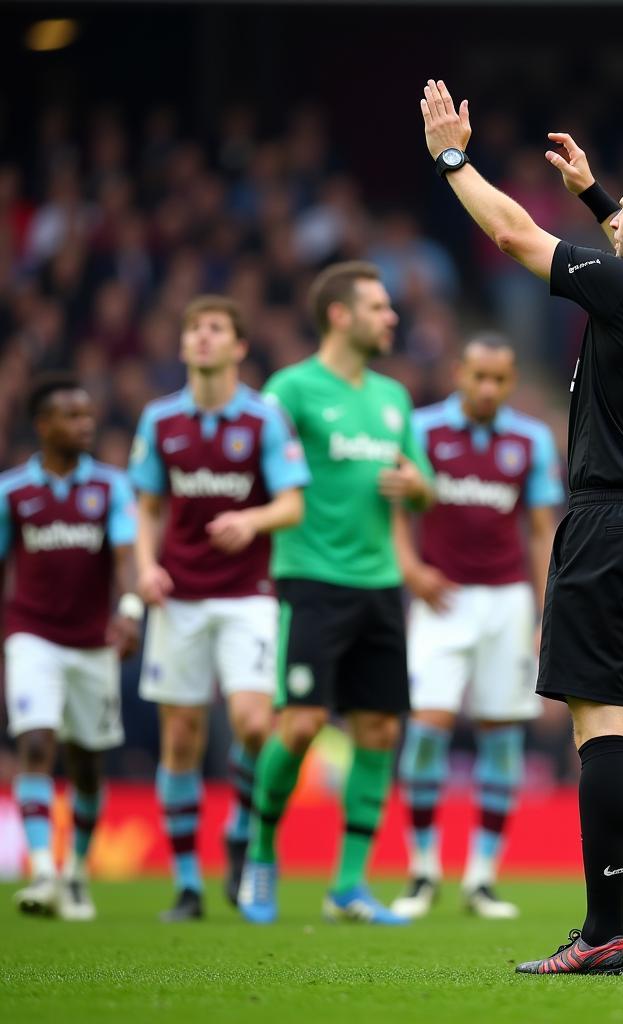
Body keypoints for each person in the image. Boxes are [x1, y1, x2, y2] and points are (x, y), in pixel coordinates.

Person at [419, 79, 623, 976]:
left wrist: (452, 156)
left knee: (604, 725)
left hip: (613, 523)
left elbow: (511, 235)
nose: (617, 219)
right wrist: (606, 197)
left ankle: (604, 931)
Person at [237, 261, 433, 926]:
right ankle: (261, 855)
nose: (393, 318)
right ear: (340, 315)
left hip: (379, 583)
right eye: (379, 307)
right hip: (311, 579)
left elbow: (424, 484)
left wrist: (417, 487)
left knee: (379, 730)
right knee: (300, 725)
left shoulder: (393, 398)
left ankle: (348, 884)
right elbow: (260, 475)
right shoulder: (289, 391)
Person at [130, 295, 310, 922]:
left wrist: (250, 518)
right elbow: (146, 506)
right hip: (179, 596)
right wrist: (145, 567)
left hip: (248, 596)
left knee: (256, 723)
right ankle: (186, 884)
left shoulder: (262, 418)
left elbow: (292, 505)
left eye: (215, 330)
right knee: (180, 737)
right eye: (194, 330)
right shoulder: (159, 421)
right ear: (183, 347)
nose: (203, 339)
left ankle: (239, 827)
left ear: (238, 346)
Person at [391, 333, 562, 920]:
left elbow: (541, 530)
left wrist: (546, 612)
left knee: (502, 735)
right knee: (427, 727)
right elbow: (393, 506)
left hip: (505, 604)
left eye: (499, 379)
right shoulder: (422, 430)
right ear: (459, 373)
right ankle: (421, 870)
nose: (488, 388)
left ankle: (482, 877)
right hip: (441, 599)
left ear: (511, 382)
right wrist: (410, 569)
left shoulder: (530, 440)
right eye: (479, 376)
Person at [2, 373, 140, 921]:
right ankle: (43, 871)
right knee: (36, 743)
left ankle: (78, 872)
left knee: (86, 765)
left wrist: (129, 612)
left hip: (92, 643)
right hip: (32, 635)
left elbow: (128, 556)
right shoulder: (13, 492)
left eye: (88, 414)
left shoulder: (110, 487)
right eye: (72, 416)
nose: (86, 424)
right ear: (43, 425)